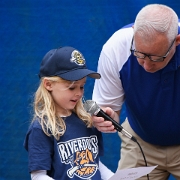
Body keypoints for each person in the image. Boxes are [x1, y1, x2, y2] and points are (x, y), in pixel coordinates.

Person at [92, 4, 180, 180]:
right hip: (140, 143)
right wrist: (107, 118)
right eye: (139, 54)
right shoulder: (116, 47)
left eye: (156, 58)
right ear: (134, 31)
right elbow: (110, 109)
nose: (146, 65)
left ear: (177, 41)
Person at [23, 46, 114, 180]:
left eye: (82, 86)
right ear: (48, 84)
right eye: (71, 87)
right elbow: (38, 176)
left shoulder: (87, 120)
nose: (79, 93)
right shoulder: (41, 128)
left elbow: (95, 165)